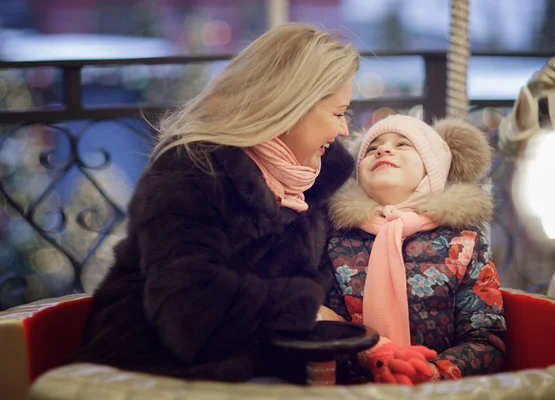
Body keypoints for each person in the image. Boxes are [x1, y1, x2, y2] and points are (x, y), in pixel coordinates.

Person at [71, 23, 359, 382]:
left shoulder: (309, 184)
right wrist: (306, 310)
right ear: (291, 105)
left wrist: (374, 353)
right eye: (338, 113)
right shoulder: (193, 169)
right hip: (153, 370)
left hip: (254, 369)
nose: (345, 130)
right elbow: (189, 312)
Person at [324, 115, 506, 384]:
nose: (383, 150)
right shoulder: (337, 240)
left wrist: (432, 372)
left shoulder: (465, 242)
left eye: (403, 144)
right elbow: (325, 328)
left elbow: (486, 340)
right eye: (373, 147)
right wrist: (375, 359)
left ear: (433, 167)